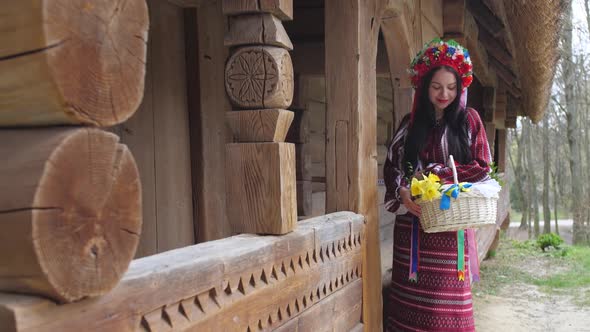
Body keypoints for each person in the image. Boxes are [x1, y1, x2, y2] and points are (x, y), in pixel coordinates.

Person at [383, 38, 492, 331]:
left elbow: (482, 167)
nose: (444, 94)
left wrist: (435, 176)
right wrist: (403, 192)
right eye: (436, 87)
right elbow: (393, 166)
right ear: (424, 86)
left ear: (460, 88)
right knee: (409, 303)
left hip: (449, 229)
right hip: (412, 229)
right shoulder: (410, 123)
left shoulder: (470, 120)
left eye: (451, 87)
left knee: (445, 309)